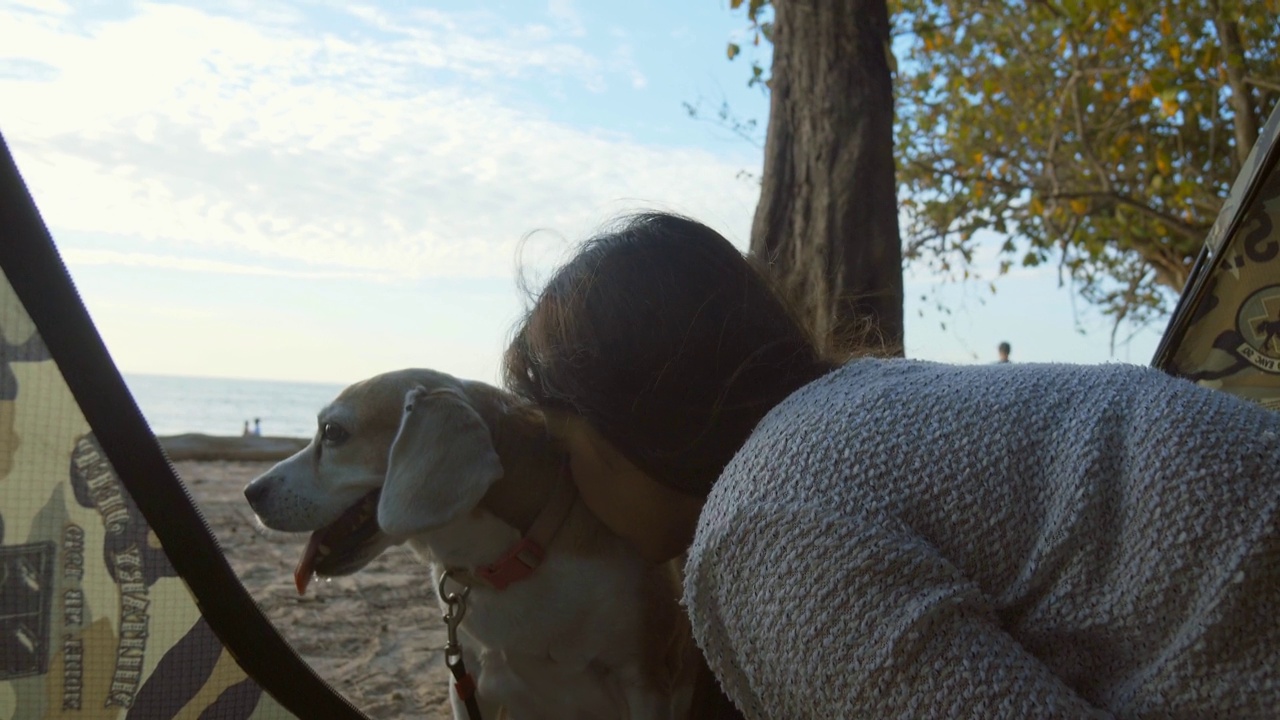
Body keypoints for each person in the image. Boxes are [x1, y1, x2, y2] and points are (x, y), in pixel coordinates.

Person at [503, 212, 1279, 719]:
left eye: (560, 448)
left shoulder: (766, 524)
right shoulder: (868, 404)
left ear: (627, 420)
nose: (566, 484)